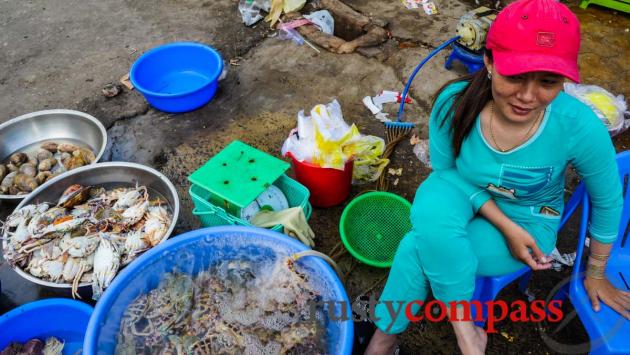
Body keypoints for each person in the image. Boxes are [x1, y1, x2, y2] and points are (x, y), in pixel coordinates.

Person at [365, 0, 630, 354]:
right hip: (468, 197)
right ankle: (465, 330)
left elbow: (608, 200)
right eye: (515, 76)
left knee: (417, 245)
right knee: (432, 205)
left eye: (548, 82)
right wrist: (502, 223)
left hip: (529, 222)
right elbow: (446, 177)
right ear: (489, 62)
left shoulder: (579, 127)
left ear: (564, 80)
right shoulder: (452, 104)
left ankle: (383, 340)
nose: (527, 96)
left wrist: (596, 273)